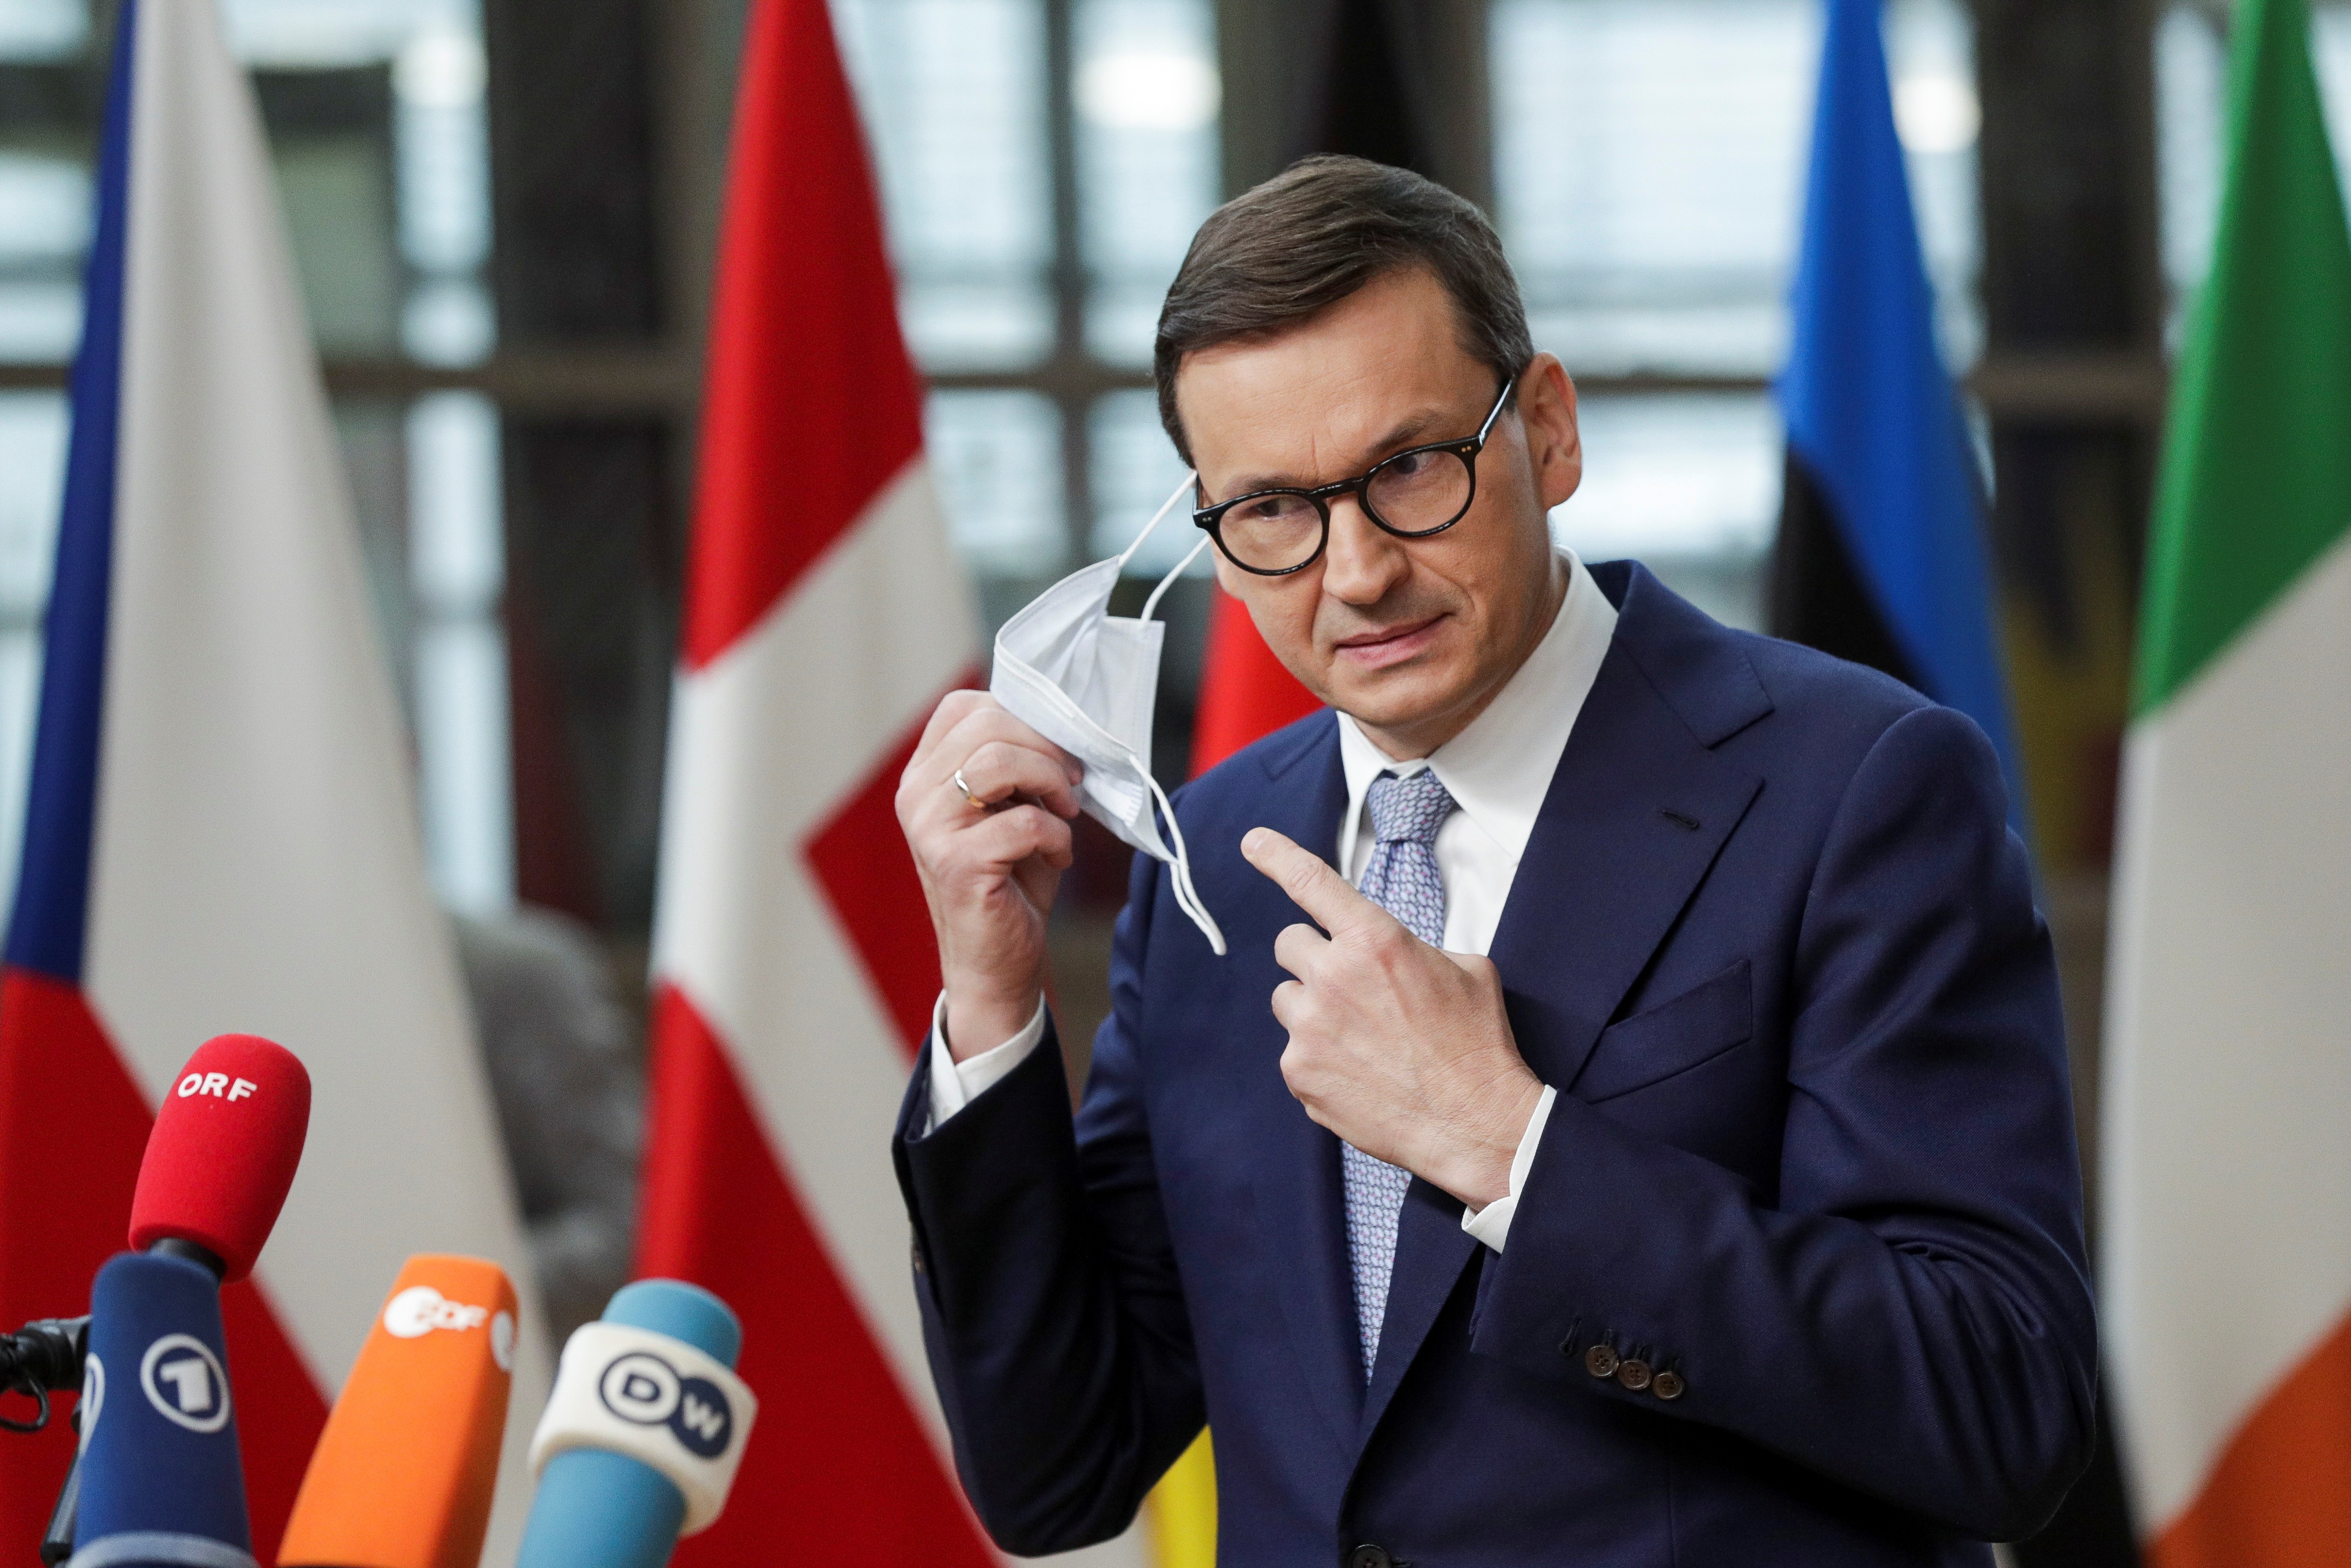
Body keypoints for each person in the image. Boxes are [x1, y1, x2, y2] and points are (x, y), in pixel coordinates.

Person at [891, 155, 2094, 1567]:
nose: (1355, 574)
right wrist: (990, 1002)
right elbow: (1058, 1473)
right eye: (1273, 509)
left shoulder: (1860, 786)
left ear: (1549, 430)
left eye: (1408, 469)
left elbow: (2004, 1402)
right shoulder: (1212, 852)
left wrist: (1510, 1146)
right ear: (1209, 532)